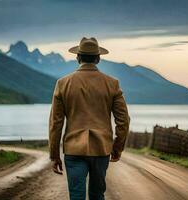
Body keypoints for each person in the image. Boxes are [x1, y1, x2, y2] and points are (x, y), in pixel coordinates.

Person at [49, 37, 130, 200]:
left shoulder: (63, 83)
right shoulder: (112, 83)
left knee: (76, 195)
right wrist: (117, 147)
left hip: (73, 149)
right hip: (101, 149)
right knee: (97, 195)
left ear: (77, 57)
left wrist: (54, 155)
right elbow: (123, 120)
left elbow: (55, 124)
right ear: (98, 58)